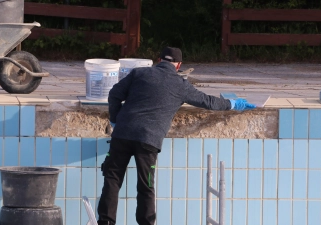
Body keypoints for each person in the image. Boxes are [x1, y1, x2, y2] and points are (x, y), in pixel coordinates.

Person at [97, 47, 256, 225]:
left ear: (158, 60)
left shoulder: (139, 73)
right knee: (145, 186)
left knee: (112, 178)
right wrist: (233, 103)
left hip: (123, 134)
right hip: (149, 140)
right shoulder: (181, 85)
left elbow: (114, 95)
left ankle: (105, 222)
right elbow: (208, 102)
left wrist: (115, 121)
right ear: (178, 65)